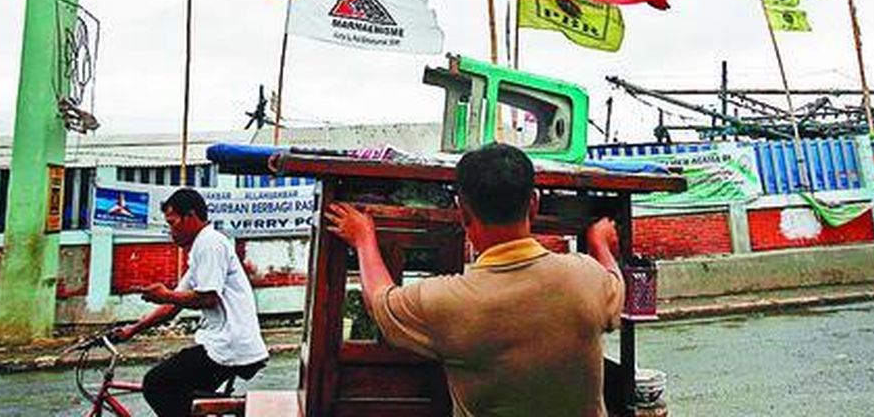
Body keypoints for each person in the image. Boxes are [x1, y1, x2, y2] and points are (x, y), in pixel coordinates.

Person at [325, 142, 623, 417]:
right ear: (533, 203)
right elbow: (615, 282)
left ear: (463, 212)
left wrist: (364, 239)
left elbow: (380, 301)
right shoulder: (587, 277)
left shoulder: (446, 302)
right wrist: (600, 244)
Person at [113, 187, 269, 417]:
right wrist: (132, 329)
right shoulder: (200, 248)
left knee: (157, 384)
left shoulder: (210, 243)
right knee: (183, 396)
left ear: (191, 216)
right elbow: (173, 306)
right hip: (226, 343)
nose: (170, 230)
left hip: (228, 345)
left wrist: (164, 294)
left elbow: (207, 297)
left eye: (172, 222)